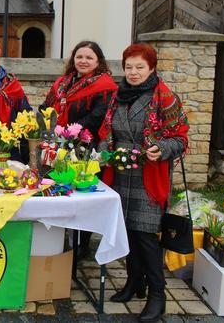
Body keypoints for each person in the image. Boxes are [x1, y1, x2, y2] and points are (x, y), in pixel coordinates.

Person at [98, 43, 189, 323]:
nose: (133, 72)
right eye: (129, 67)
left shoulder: (165, 98)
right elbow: (107, 130)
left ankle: (157, 295)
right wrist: (104, 148)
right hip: (120, 173)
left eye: (140, 67)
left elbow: (181, 138)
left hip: (148, 176)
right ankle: (134, 282)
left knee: (146, 236)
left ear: (151, 68)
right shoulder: (118, 96)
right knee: (126, 231)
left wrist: (162, 148)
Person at [40, 40, 117, 257]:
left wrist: (67, 132)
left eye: (89, 58)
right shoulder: (62, 84)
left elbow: (96, 117)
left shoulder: (105, 87)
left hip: (84, 147)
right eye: (79, 56)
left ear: (98, 61)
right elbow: (47, 107)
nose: (83, 61)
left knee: (81, 196)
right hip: (57, 146)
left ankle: (81, 246)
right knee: (59, 192)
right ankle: (59, 239)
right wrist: (46, 120)